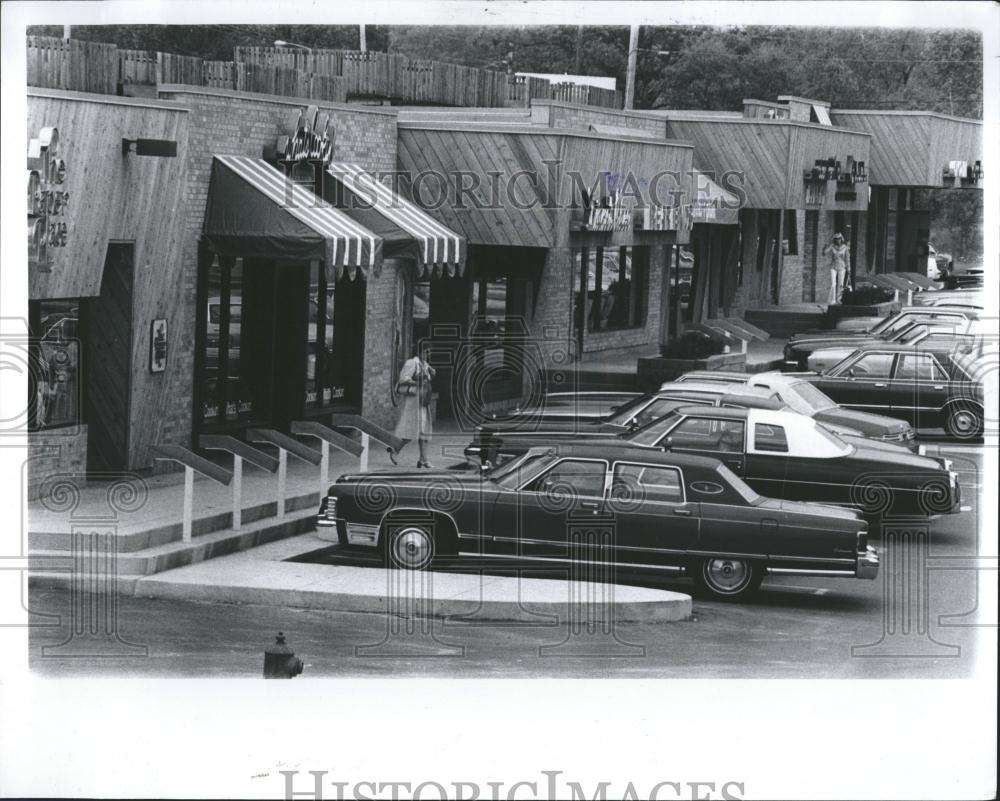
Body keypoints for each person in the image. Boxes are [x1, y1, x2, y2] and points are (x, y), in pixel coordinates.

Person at [388, 345, 436, 468]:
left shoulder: (425, 364)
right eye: (425, 351)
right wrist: (417, 380)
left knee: (424, 431)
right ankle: (395, 450)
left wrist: (430, 373)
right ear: (419, 351)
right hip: (413, 402)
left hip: (424, 400)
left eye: (428, 352)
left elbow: (428, 378)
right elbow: (403, 378)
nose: (427, 354)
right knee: (412, 431)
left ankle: (423, 459)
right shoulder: (411, 363)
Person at [823, 232, 850, 305]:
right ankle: (833, 299)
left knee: (840, 284)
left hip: (842, 266)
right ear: (835, 240)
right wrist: (826, 246)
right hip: (833, 266)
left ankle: (839, 299)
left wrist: (848, 268)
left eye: (839, 239)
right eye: (836, 239)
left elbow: (847, 258)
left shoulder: (845, 247)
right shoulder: (832, 246)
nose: (838, 240)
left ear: (841, 239)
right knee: (833, 283)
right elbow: (825, 252)